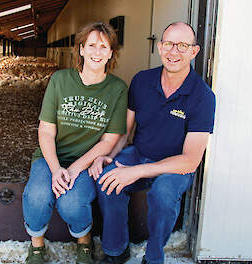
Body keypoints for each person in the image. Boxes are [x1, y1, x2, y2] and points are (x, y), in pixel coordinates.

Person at [89, 22, 216, 264]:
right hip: (139, 153)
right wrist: (110, 155)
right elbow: (125, 132)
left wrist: (137, 171)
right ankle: (116, 251)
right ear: (159, 47)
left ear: (194, 51)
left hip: (174, 166)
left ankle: (154, 255)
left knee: (164, 195)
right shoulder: (142, 81)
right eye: (168, 44)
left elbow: (190, 161)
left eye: (182, 46)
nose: (174, 52)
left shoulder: (203, 97)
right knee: (108, 178)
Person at [22, 21, 128, 264]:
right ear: (81, 49)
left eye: (104, 46)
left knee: (71, 202)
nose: (97, 52)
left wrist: (73, 169)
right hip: (50, 157)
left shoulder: (117, 89)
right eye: (91, 45)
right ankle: (37, 247)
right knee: (37, 196)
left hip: (87, 162)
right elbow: (46, 131)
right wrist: (56, 168)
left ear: (111, 52)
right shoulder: (60, 80)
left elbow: (109, 140)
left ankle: (84, 241)